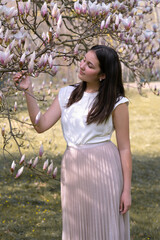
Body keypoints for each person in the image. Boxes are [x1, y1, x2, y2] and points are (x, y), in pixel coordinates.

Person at [13, 45, 132, 240]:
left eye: (90, 65)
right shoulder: (66, 94)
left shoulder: (117, 102)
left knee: (103, 225)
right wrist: (28, 90)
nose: (82, 66)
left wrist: (126, 191)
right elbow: (40, 125)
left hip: (105, 168)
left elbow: (125, 148)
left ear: (103, 75)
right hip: (73, 167)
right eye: (84, 60)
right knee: (77, 225)